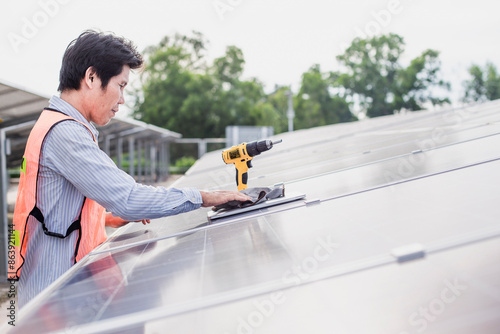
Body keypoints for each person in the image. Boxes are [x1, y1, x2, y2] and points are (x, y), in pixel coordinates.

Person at [13, 30, 250, 308]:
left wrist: (107, 217)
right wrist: (203, 197)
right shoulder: (66, 133)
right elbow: (128, 199)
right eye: (121, 85)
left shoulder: (54, 123)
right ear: (91, 78)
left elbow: (53, 206)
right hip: (54, 304)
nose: (122, 99)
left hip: (48, 291)